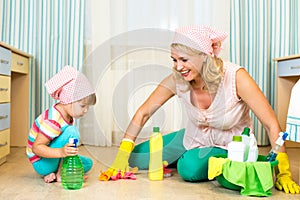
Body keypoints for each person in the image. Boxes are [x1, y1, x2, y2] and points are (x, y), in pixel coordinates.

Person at [99, 25, 300, 194]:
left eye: (184, 60)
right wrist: (122, 156)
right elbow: (143, 112)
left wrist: (284, 171)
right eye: (174, 60)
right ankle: (183, 157)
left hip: (230, 147)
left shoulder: (236, 77)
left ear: (204, 56)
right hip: (193, 139)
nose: (178, 67)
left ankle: (245, 163)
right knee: (136, 157)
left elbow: (270, 123)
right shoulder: (178, 79)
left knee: (189, 168)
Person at [26, 65, 96, 183]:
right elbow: (36, 148)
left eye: (88, 107)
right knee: (72, 131)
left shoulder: (67, 115)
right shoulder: (53, 120)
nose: (85, 110)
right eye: (83, 106)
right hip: (41, 162)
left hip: (52, 159)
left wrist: (64, 152)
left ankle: (54, 172)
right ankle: (61, 173)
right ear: (68, 101)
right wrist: (61, 152)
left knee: (88, 164)